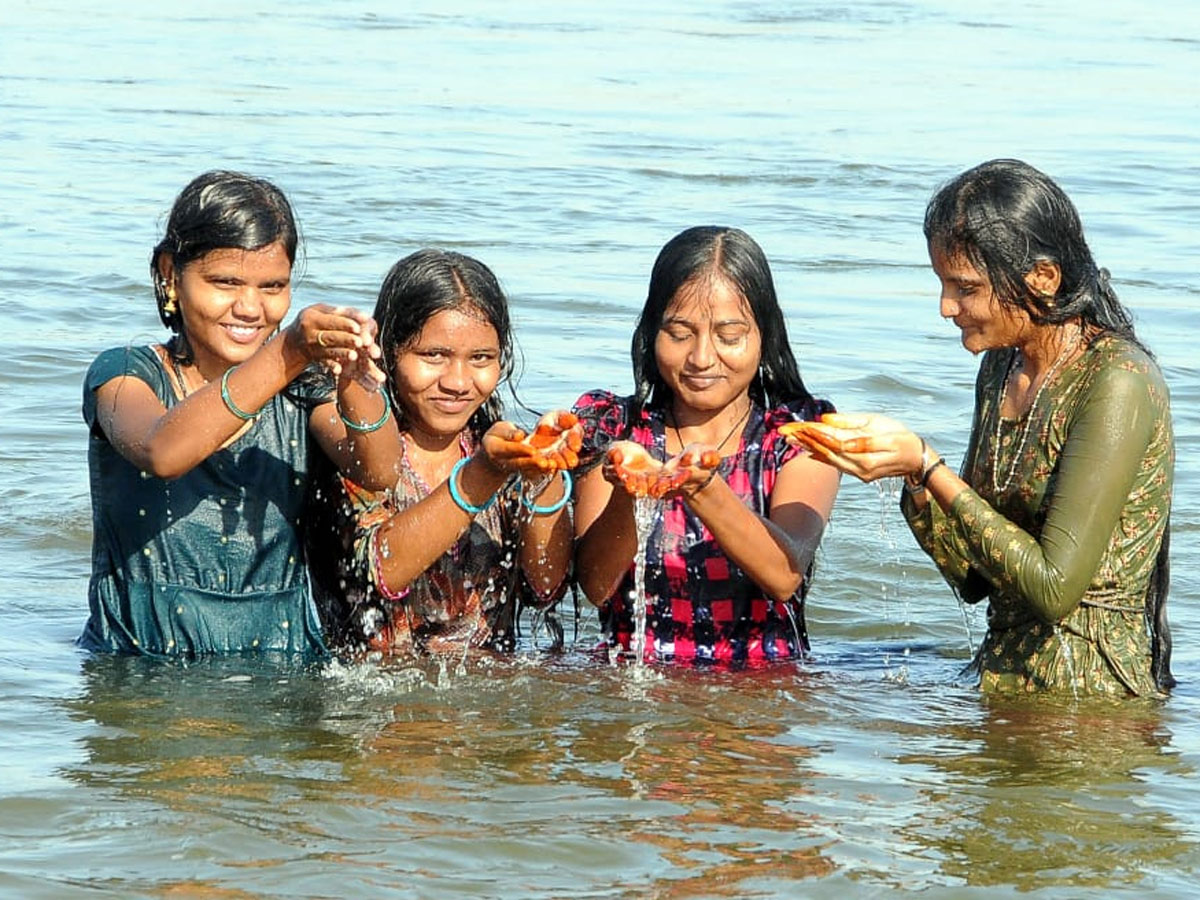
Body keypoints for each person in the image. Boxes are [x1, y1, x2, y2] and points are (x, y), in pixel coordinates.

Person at [784, 159, 1174, 697]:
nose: (946, 307)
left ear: (1042, 279)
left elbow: (1054, 589)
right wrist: (915, 484)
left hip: (1090, 708)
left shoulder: (1117, 381)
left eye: (964, 288)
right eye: (942, 284)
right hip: (998, 683)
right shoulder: (1000, 367)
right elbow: (973, 580)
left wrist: (929, 464)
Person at [81, 170, 400, 659]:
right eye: (225, 282)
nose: (250, 307)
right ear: (170, 273)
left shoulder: (301, 389)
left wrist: (356, 378)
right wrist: (288, 351)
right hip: (141, 665)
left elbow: (378, 471)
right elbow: (162, 451)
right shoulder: (125, 376)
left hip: (282, 660)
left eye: (273, 286)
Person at [572, 226, 840, 665]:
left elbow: (783, 574)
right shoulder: (613, 427)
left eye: (729, 336)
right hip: (632, 684)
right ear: (652, 331)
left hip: (759, 692)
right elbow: (596, 586)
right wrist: (628, 489)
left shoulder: (798, 434)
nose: (701, 357)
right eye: (679, 334)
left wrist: (700, 487)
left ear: (764, 337)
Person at [306, 249, 579, 655]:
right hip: (375, 701)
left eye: (481, 359)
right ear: (390, 351)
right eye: (434, 355)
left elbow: (545, 587)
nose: (458, 381)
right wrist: (481, 475)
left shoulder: (497, 447)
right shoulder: (356, 446)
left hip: (484, 700)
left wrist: (544, 475)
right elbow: (381, 570)